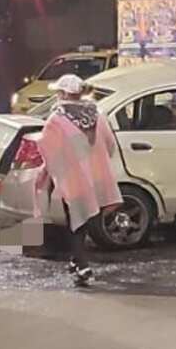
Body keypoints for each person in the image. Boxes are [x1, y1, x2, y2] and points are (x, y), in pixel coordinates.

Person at [34, 74, 122, 287]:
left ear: (64, 94)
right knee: (86, 219)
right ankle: (76, 261)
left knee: (76, 220)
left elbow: (47, 147)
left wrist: (55, 171)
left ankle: (82, 265)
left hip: (73, 178)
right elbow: (110, 145)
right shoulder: (98, 115)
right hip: (97, 177)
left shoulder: (57, 119)